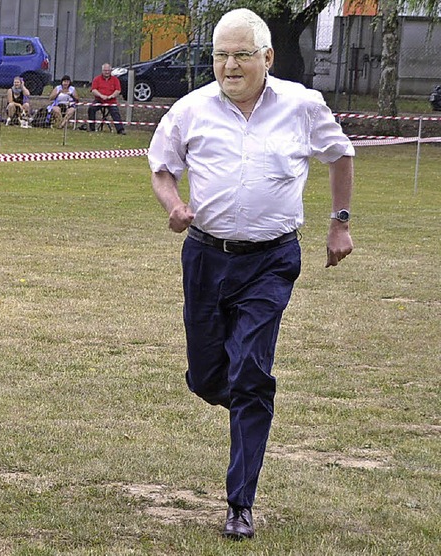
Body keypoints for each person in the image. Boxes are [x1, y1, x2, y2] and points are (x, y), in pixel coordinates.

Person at [148, 8, 354, 540]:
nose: (229, 65)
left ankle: (240, 503)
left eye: (241, 54)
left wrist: (340, 224)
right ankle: (243, 396)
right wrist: (173, 205)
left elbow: (341, 154)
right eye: (220, 55)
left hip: (271, 259)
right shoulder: (192, 109)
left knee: (251, 373)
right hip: (205, 257)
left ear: (267, 56)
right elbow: (162, 166)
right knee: (208, 377)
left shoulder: (303, 106)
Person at [88, 63, 126, 134]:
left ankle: (120, 129)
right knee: (91, 108)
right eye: (105, 70)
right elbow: (94, 90)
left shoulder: (115, 80)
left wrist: (111, 96)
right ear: (102, 71)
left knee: (115, 112)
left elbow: (118, 90)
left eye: (108, 70)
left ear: (111, 71)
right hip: (99, 100)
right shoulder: (97, 79)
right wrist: (101, 95)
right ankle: (92, 128)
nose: (107, 72)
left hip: (111, 101)